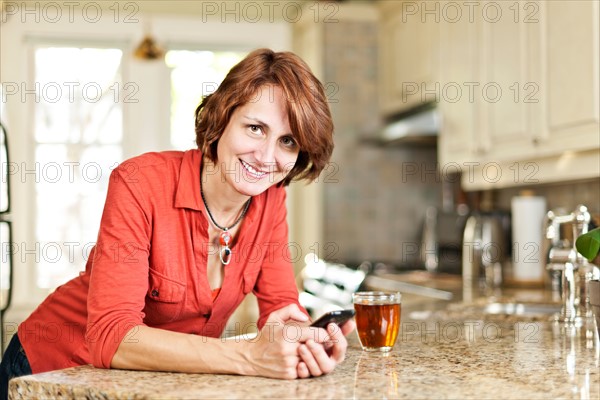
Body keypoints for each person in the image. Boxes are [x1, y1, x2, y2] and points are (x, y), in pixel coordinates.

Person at [0, 48, 354, 398]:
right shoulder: (139, 182)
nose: (266, 158)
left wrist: (302, 345)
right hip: (54, 370)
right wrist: (249, 356)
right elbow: (112, 336)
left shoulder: (271, 198)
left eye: (287, 141)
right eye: (255, 128)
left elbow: (279, 307)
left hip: (149, 383)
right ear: (221, 120)